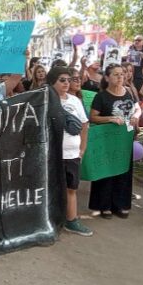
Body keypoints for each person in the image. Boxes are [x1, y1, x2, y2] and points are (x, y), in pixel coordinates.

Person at [88, 64, 140, 218]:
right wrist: (110, 118)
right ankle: (104, 206)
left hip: (125, 139)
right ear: (107, 77)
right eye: (116, 74)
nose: (120, 77)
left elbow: (136, 108)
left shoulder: (129, 92)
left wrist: (136, 115)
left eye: (122, 74)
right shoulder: (101, 96)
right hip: (107, 140)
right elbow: (93, 117)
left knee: (124, 171)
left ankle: (121, 204)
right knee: (106, 172)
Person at [47, 67, 92, 236]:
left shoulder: (75, 101)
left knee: (71, 188)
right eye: (62, 80)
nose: (67, 83)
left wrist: (82, 149)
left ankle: (71, 220)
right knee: (51, 188)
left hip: (72, 154)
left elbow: (84, 125)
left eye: (68, 79)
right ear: (52, 83)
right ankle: (49, 221)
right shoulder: (46, 102)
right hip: (53, 154)